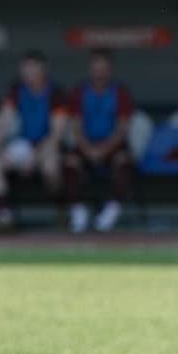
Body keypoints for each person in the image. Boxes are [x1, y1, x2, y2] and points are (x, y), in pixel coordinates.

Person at [0, 51, 68, 231]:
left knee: (51, 166)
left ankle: (60, 209)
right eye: (26, 69)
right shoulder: (16, 91)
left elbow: (56, 134)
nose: (29, 73)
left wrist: (35, 157)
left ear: (43, 69)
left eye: (34, 68)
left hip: (46, 147)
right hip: (22, 146)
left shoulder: (56, 93)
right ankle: (4, 216)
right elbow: (4, 120)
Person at [64, 50, 135, 234]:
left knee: (124, 161)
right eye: (96, 69)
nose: (99, 73)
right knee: (70, 162)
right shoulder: (80, 92)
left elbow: (122, 128)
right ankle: (78, 212)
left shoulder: (120, 92)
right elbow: (75, 126)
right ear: (90, 69)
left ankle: (110, 211)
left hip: (112, 145)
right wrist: (88, 149)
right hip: (85, 144)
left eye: (103, 69)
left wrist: (103, 149)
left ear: (110, 70)